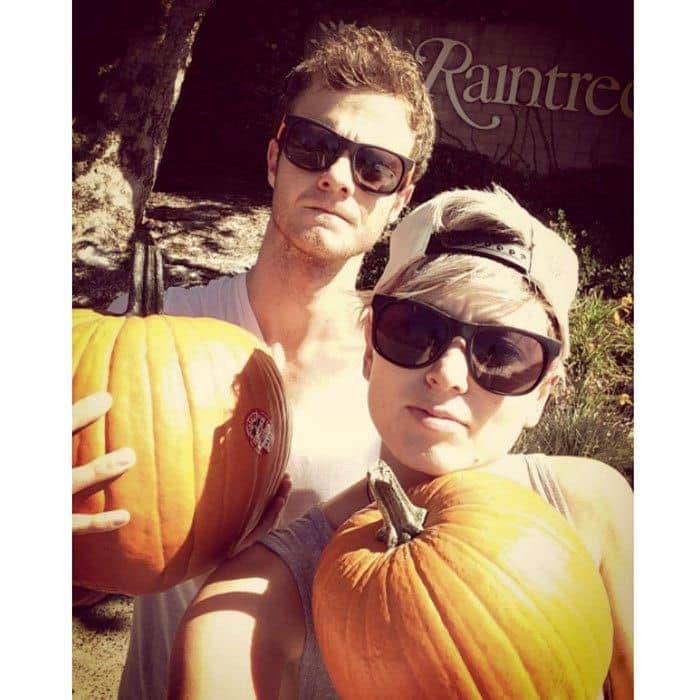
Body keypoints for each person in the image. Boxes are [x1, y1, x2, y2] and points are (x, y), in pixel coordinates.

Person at [71, 24, 437, 700]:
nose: (335, 176)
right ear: (276, 157)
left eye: (374, 166)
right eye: (314, 145)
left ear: (401, 197)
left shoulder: (414, 375)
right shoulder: (149, 327)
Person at [168, 186, 633, 699]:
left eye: (502, 353)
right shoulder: (249, 608)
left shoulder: (589, 510)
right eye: (415, 329)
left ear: (543, 393)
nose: (449, 374)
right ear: (369, 347)